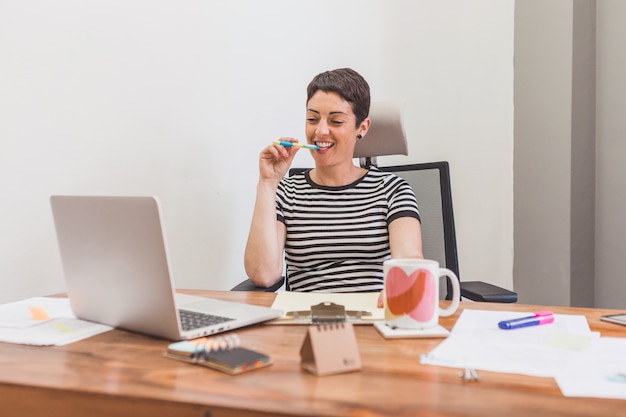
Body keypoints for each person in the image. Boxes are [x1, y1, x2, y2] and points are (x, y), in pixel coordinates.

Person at [244, 68, 423, 292]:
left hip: (370, 319)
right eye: (312, 119)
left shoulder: (393, 191)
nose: (320, 131)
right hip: (307, 319)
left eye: (336, 121)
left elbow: (410, 262)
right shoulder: (287, 192)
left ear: (362, 127)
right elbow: (263, 275)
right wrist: (268, 184)